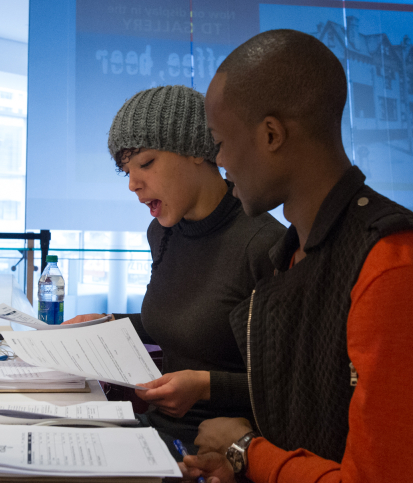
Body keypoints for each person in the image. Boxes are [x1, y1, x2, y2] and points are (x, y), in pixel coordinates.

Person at [170, 29, 413, 483]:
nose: (222, 163)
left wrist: (246, 451)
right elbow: (318, 440)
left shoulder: (396, 264)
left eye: (222, 144)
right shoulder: (295, 254)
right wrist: (242, 478)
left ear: (271, 135)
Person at [66, 85, 285, 451]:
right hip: (157, 431)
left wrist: (205, 386)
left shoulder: (262, 243)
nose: (134, 184)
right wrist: (105, 323)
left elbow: (288, 384)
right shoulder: (163, 232)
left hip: (218, 451)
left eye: (146, 163)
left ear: (198, 152)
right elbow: (181, 320)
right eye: (126, 171)